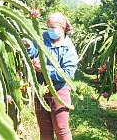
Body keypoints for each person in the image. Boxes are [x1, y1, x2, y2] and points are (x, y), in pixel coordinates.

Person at [23, 12, 78, 140]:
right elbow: (35, 51)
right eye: (48, 26)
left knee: (61, 128)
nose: (49, 30)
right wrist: (30, 46)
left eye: (52, 27)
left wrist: (44, 69)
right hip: (41, 89)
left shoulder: (68, 48)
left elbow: (67, 74)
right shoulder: (44, 37)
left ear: (62, 28)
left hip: (59, 91)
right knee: (45, 129)